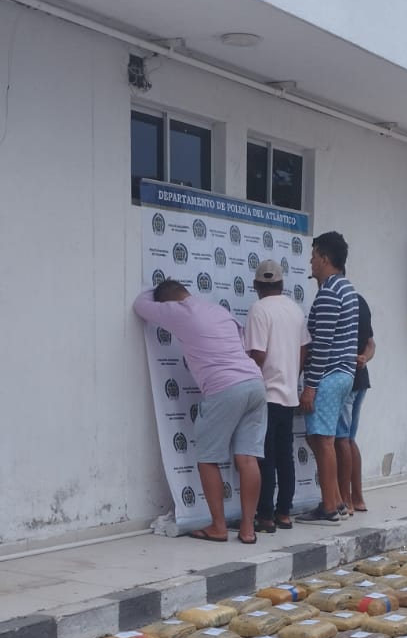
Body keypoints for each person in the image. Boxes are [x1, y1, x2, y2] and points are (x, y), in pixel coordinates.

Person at [133, 279, 266, 543]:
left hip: (224, 388)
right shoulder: (218, 310)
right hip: (255, 383)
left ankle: (218, 526)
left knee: (208, 457)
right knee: (248, 459)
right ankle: (248, 529)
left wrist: (158, 292)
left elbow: (140, 305)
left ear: (170, 300)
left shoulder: (179, 310)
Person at [243, 259, 310, 534]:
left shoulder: (259, 309)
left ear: (257, 286)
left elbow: (257, 354)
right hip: (288, 394)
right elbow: (305, 349)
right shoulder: (294, 310)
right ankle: (284, 512)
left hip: (266, 393)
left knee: (265, 457)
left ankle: (266, 516)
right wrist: (293, 373)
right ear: (281, 285)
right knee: (285, 456)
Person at [297, 230, 360, 523]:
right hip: (344, 374)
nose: (310, 262)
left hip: (330, 374)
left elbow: (321, 345)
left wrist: (310, 387)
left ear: (324, 258)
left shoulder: (330, 294)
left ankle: (329, 506)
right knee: (325, 438)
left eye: (313, 257)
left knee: (322, 440)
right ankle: (335, 501)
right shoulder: (346, 289)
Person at [338, 291, 374, 513]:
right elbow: (371, 343)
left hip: (347, 381)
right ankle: (357, 498)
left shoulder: (338, 300)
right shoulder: (360, 300)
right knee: (350, 439)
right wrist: (365, 358)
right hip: (360, 379)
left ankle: (346, 500)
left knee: (341, 440)